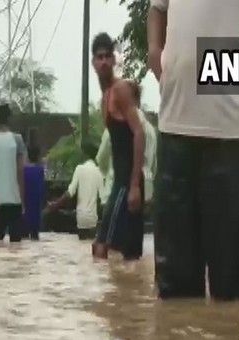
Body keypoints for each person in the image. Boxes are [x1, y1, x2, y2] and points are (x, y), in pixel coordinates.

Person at [148, 0, 239, 300]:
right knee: (174, 291)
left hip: (232, 109)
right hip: (174, 115)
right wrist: (155, 52)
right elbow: (157, 8)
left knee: (238, 292)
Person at [90, 33, 145, 261]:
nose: (103, 61)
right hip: (120, 183)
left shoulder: (120, 90)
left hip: (127, 183)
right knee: (129, 256)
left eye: (107, 56)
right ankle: (125, 296)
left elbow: (139, 132)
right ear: (93, 62)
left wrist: (133, 185)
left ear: (113, 60)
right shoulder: (105, 96)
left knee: (101, 246)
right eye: (98, 57)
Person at [96, 81, 157, 204]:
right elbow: (154, 163)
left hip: (119, 187)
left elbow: (102, 157)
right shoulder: (150, 130)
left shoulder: (117, 125)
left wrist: (108, 172)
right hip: (145, 191)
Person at [44, 137, 105, 241]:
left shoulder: (79, 169)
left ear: (85, 154)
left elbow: (69, 193)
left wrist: (55, 205)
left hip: (81, 217)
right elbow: (103, 199)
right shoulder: (99, 172)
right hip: (93, 219)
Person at [0, 103, 27, 243]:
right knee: (16, 249)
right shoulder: (17, 140)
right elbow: (20, 172)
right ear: (10, 119)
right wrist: (22, 200)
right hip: (14, 202)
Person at [23, 144, 46, 240]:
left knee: (23, 239)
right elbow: (42, 189)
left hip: (25, 206)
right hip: (36, 207)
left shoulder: (24, 170)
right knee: (35, 236)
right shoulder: (40, 170)